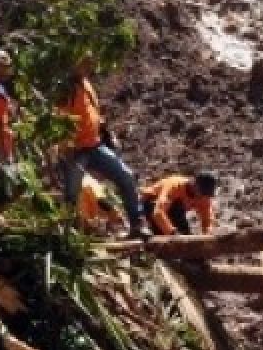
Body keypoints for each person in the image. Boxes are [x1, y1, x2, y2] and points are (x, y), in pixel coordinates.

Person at [56, 54, 149, 238]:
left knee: (126, 177)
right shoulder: (65, 90)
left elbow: (93, 112)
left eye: (89, 64)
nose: (88, 67)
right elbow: (59, 121)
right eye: (84, 64)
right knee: (72, 194)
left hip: (94, 146)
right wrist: (65, 148)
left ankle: (137, 224)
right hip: (75, 150)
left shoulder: (86, 85)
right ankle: (69, 233)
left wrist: (106, 132)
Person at [142, 173, 217, 236]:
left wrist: (207, 234)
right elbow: (158, 213)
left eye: (206, 194)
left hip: (177, 210)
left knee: (186, 234)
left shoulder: (204, 196)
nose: (203, 197)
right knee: (165, 235)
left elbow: (206, 219)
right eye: (202, 193)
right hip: (152, 203)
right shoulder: (175, 186)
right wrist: (172, 233)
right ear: (194, 185)